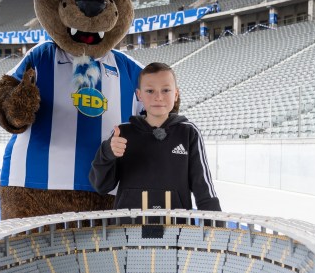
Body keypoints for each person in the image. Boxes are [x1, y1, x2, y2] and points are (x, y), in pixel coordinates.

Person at [90, 62, 221, 213]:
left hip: (177, 229)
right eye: (150, 91)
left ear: (176, 94)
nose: (158, 97)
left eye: (165, 90)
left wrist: (216, 227)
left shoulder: (189, 133)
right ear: (139, 95)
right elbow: (101, 186)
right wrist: (107, 152)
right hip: (128, 228)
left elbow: (204, 189)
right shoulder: (123, 133)